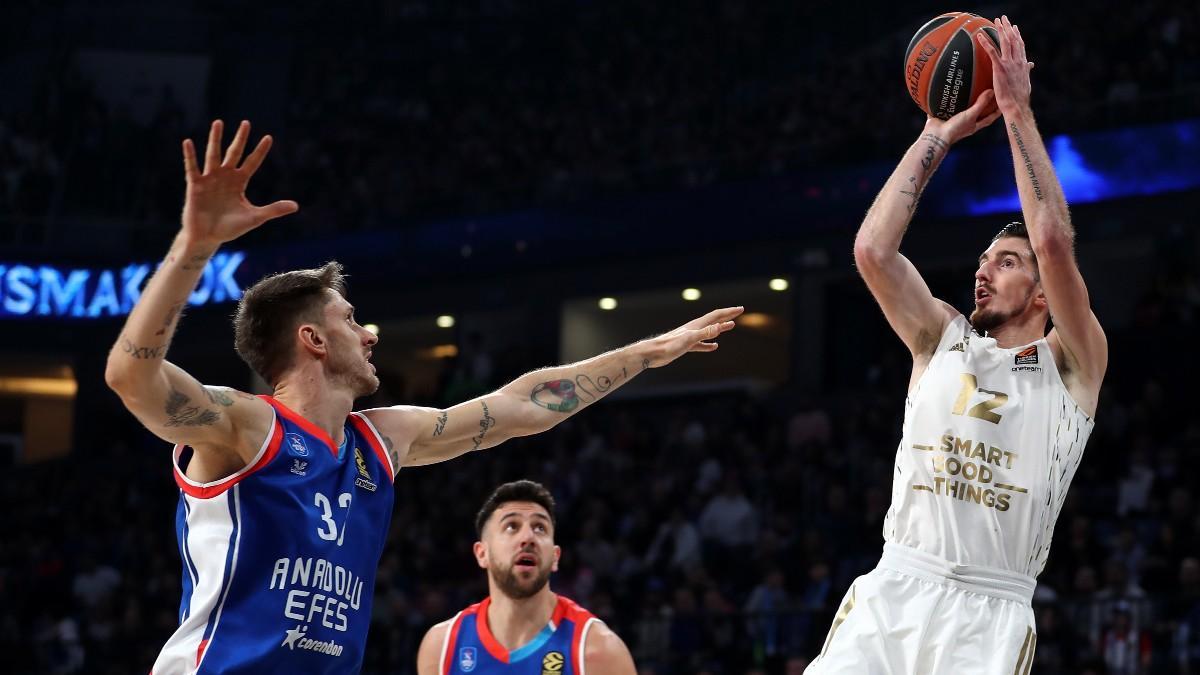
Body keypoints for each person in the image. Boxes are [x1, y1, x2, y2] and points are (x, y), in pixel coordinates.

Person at [103, 119, 742, 673]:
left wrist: (650, 352)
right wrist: (195, 248)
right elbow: (132, 377)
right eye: (352, 321)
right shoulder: (244, 428)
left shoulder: (383, 439)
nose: (371, 332)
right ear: (312, 340)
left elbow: (524, 406)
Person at [807, 16, 1107, 674]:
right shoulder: (939, 338)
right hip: (895, 588)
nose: (982, 270)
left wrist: (1017, 113)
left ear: (1040, 295)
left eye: (1004, 261)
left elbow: (1054, 241)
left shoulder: (1072, 363)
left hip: (989, 613)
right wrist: (934, 136)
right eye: (982, 259)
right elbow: (872, 250)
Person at [416, 480, 636, 674]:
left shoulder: (598, 651)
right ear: (482, 554)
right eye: (512, 526)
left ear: (555, 557)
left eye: (540, 528)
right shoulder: (442, 647)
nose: (528, 537)